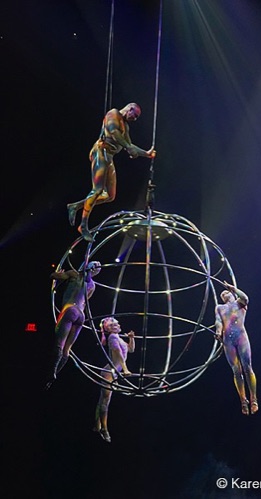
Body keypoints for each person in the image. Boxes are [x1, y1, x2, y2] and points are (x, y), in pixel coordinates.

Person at [67, 103, 157, 242]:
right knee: (97, 190)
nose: (135, 119)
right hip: (101, 152)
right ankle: (83, 225)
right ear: (130, 109)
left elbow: (130, 145)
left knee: (110, 195)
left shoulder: (125, 126)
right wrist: (128, 147)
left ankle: (75, 206)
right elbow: (114, 133)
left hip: (109, 157)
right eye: (135, 115)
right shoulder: (113, 114)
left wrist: (146, 154)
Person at [45, 261, 102, 390]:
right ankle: (55, 375)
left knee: (59, 343)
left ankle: (52, 371)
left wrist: (58, 274)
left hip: (70, 309)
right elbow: (85, 302)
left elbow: (53, 276)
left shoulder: (74, 274)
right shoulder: (92, 285)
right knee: (67, 349)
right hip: (81, 316)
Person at [215, 281, 258, 416]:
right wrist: (218, 332)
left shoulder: (240, 303)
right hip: (228, 340)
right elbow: (218, 322)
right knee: (236, 370)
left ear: (233, 294)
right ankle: (243, 401)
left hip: (241, 337)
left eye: (227, 292)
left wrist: (232, 288)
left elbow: (246, 298)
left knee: (247, 367)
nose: (224, 294)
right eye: (223, 294)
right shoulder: (219, 308)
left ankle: (254, 399)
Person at [93, 317, 135, 443]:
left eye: (116, 323)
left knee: (102, 400)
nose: (117, 324)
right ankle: (104, 429)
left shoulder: (118, 338)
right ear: (108, 329)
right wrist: (125, 369)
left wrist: (131, 338)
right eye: (112, 324)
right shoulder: (112, 338)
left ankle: (97, 425)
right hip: (109, 373)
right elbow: (117, 353)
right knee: (105, 401)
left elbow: (130, 350)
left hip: (113, 372)